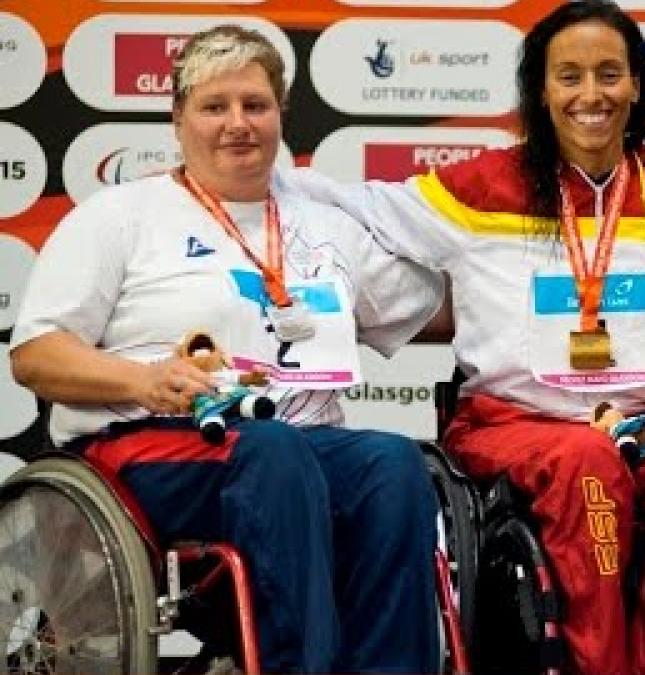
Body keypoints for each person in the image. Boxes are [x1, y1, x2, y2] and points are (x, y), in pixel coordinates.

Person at [283, 2, 645, 672]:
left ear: (635, 84)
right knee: (585, 461)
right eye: (569, 76)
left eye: (609, 74)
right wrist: (259, 174)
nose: (591, 95)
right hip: (515, 425)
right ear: (542, 91)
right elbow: (357, 204)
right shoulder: (486, 186)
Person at [9, 25, 444, 673]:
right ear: (178, 119)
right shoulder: (122, 215)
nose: (237, 123)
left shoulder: (322, 224)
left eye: (255, 105)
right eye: (215, 107)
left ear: (279, 115)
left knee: (390, 462)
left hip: (291, 445)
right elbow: (36, 354)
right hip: (156, 443)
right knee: (276, 453)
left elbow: (436, 316)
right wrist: (143, 378)